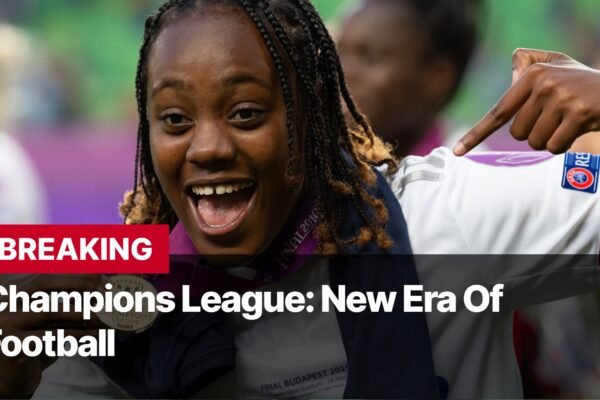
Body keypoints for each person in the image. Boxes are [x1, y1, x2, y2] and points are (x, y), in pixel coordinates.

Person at [0, 0, 597, 398]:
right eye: (175, 118)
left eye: (246, 113)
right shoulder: (119, 293)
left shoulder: (446, 218)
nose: (207, 148)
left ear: (311, 120)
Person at [337, 0, 481, 156]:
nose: (340, 72)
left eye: (370, 58)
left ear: (437, 77)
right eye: (339, 53)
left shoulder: (468, 174)